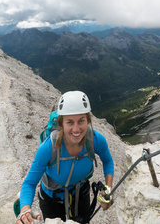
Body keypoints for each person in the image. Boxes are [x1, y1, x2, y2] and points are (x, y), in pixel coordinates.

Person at [16, 91, 114, 224]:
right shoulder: (48, 148)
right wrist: (25, 210)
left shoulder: (95, 140)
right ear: (61, 123)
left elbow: (108, 161)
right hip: (52, 196)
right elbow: (29, 183)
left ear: (88, 120)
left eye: (81, 121)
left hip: (80, 192)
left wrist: (108, 189)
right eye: (70, 122)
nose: (76, 129)